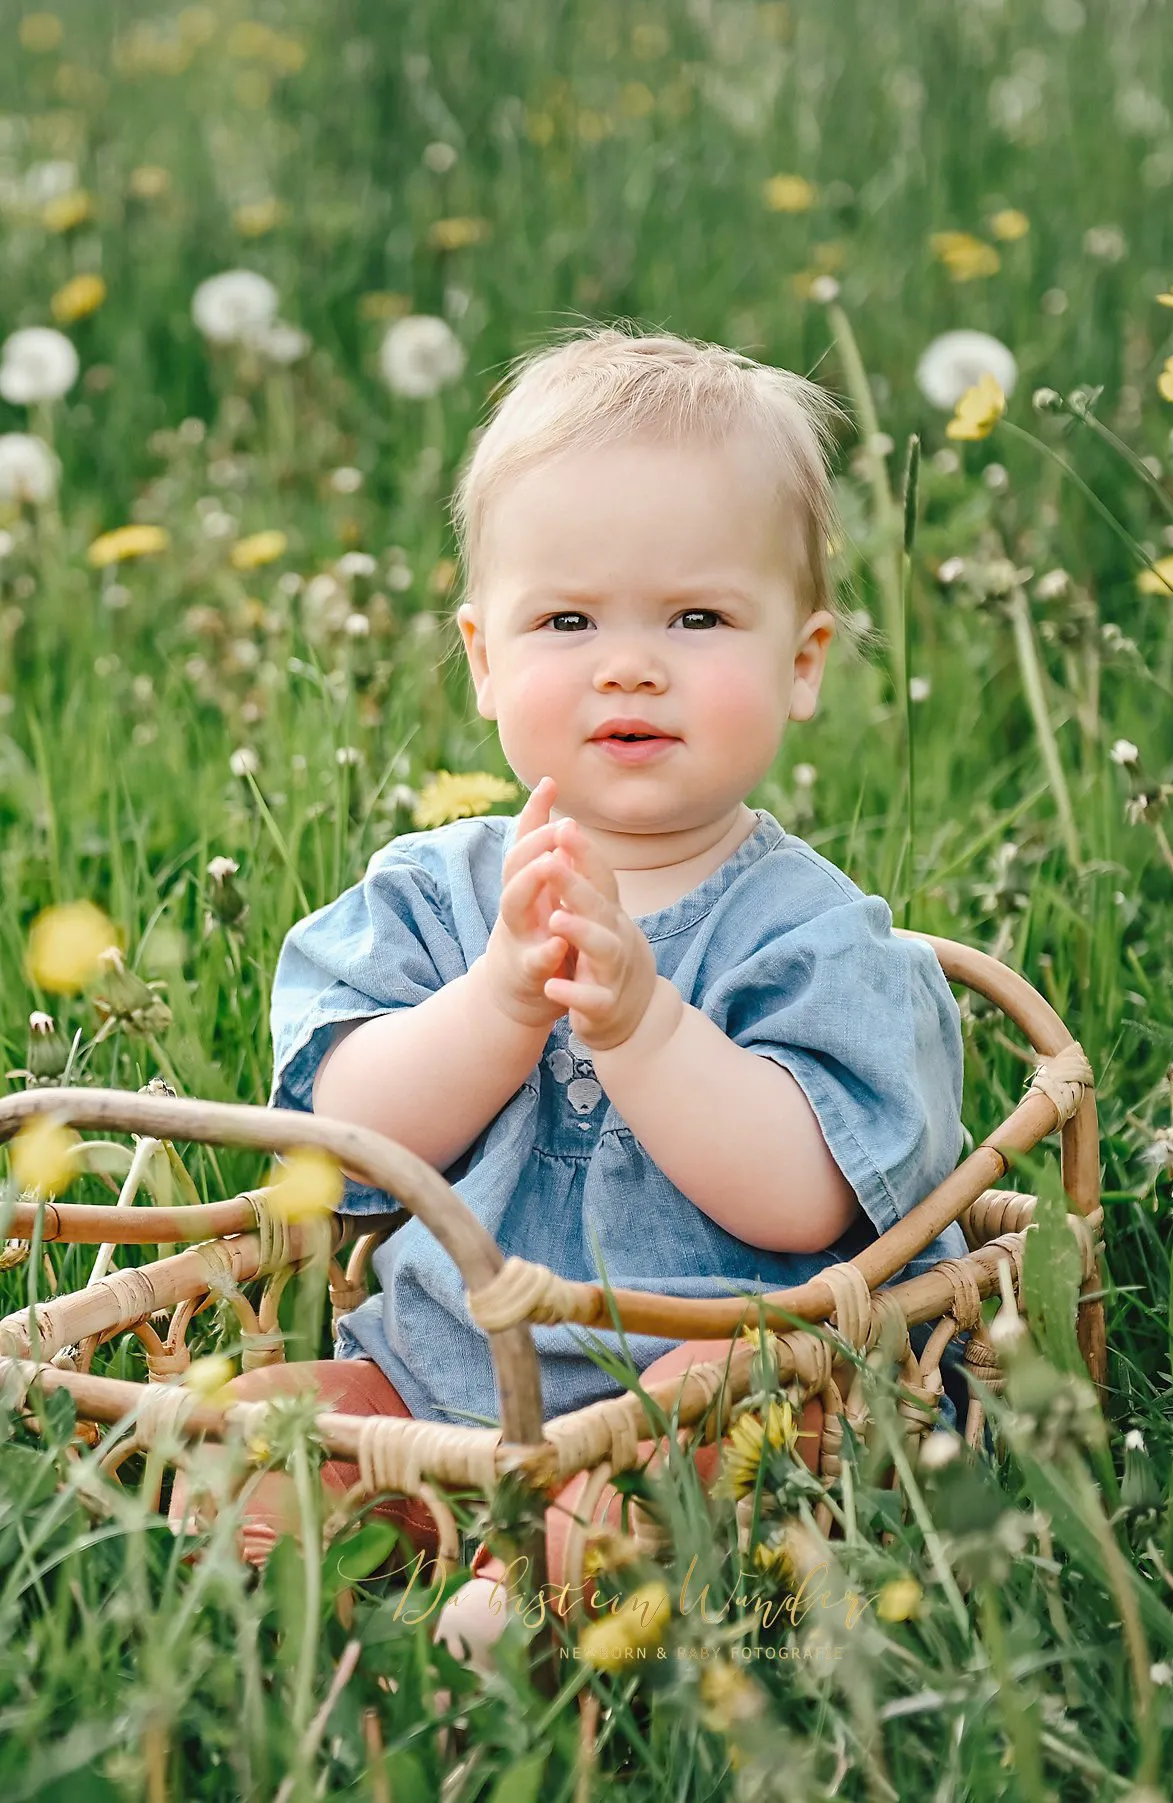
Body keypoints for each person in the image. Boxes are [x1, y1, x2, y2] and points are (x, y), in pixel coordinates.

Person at [182, 323, 970, 1671]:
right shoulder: (435, 894)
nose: (629, 663)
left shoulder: (825, 941)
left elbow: (805, 1196)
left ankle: (540, 1580)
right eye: (569, 620)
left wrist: (643, 1027)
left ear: (804, 658)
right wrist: (499, 1001)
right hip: (432, 1370)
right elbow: (351, 1140)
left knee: (678, 1455)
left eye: (697, 617)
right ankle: (423, 1528)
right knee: (246, 1440)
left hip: (709, 1373)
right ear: (483, 658)